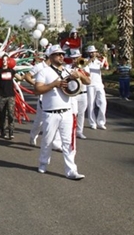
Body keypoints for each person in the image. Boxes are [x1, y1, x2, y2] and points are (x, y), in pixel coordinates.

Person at [34, 45, 90, 180]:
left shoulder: (68, 70)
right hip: (50, 112)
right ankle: (43, 163)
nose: (61, 56)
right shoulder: (44, 72)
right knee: (47, 141)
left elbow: (88, 81)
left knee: (68, 143)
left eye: (62, 54)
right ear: (51, 57)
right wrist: (54, 84)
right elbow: (37, 90)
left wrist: (80, 75)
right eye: (58, 54)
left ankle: (71, 171)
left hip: (67, 113)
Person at [86, 45, 109, 130]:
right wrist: (91, 59)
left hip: (99, 84)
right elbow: (81, 66)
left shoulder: (99, 61)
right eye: (91, 52)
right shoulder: (84, 60)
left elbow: (106, 67)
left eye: (94, 52)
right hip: (90, 85)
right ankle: (92, 123)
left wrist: (104, 58)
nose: (93, 53)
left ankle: (101, 122)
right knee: (91, 104)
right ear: (88, 53)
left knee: (103, 103)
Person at [69, 50, 90, 139]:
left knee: (81, 113)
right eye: (73, 58)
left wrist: (81, 69)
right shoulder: (68, 67)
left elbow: (88, 76)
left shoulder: (84, 66)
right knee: (73, 113)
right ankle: (70, 131)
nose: (75, 60)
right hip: (73, 94)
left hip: (83, 93)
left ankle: (79, 131)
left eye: (77, 58)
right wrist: (73, 67)